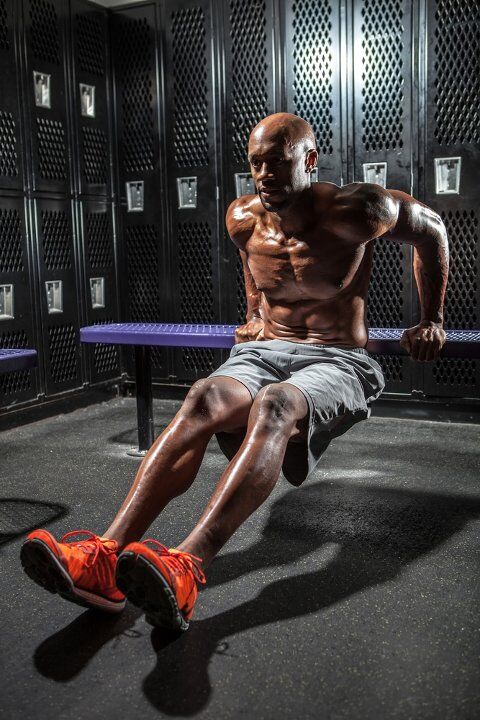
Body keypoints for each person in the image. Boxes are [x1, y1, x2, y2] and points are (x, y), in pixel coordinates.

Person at [21, 113, 449, 632]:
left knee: (276, 404)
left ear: (309, 160)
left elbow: (433, 231)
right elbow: (252, 264)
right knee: (202, 397)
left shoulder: (357, 208)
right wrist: (251, 316)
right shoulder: (243, 217)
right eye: (256, 164)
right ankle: (105, 556)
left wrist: (431, 319)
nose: (265, 174)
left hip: (338, 357)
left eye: (278, 161)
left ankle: (189, 565)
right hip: (267, 347)